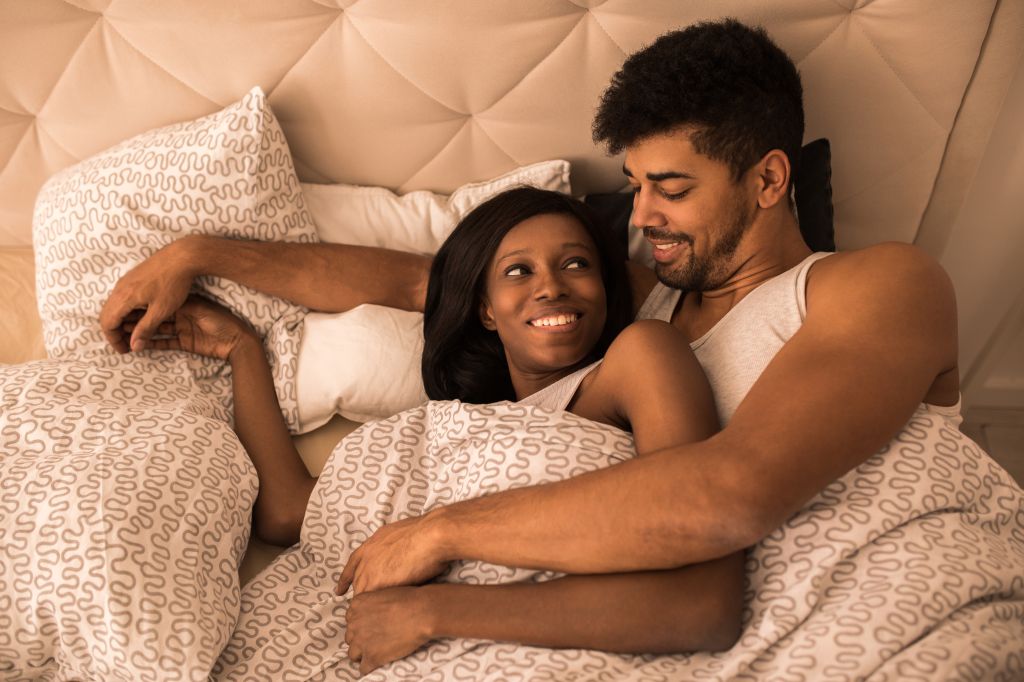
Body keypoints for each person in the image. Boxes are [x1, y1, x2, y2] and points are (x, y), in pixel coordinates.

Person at [100, 16, 961, 661]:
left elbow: (727, 498)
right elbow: (418, 280)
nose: (643, 218)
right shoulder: (638, 297)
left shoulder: (877, 286)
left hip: (844, 600)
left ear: (771, 178)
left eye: (670, 189)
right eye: (633, 186)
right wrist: (200, 253)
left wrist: (442, 533)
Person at [133, 187, 743, 674]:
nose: (550, 285)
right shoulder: (446, 432)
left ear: (607, 293)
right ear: (484, 309)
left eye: (576, 264)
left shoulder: (639, 358)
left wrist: (433, 610)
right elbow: (288, 513)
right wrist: (244, 349)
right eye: (517, 272)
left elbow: (702, 607)